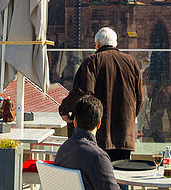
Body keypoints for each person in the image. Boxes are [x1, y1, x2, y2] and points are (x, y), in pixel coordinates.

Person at [61, 27, 143, 161]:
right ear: (115, 44)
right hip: (124, 136)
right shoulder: (131, 62)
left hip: (99, 135)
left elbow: (82, 93)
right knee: (122, 177)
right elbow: (140, 98)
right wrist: (129, 119)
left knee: (98, 177)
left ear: (97, 43)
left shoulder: (92, 61)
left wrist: (64, 110)